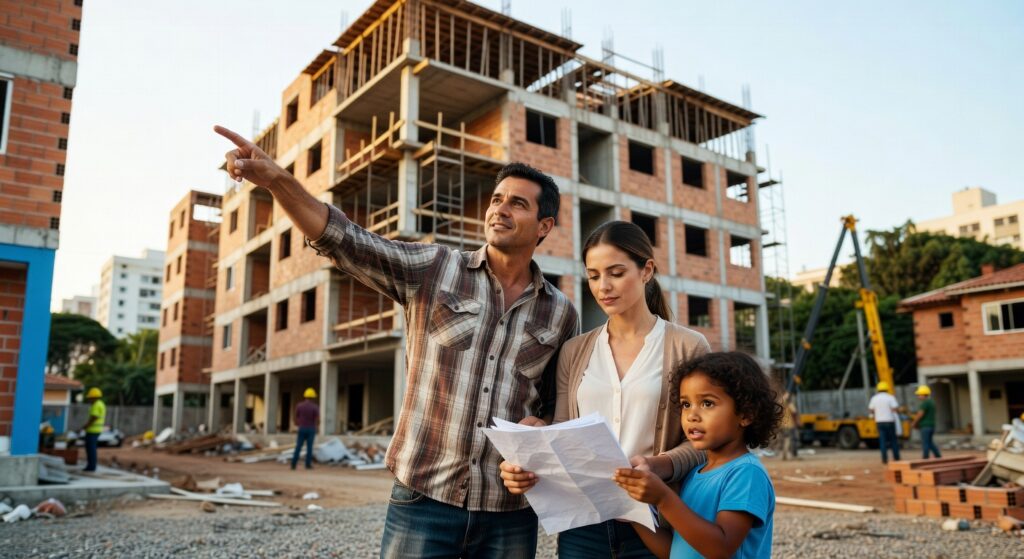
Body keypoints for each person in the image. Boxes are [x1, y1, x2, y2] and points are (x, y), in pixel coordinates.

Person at [215, 126, 579, 559]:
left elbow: (557, 406)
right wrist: (278, 180)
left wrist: (543, 425)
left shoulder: (560, 313)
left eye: (517, 203)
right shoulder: (436, 269)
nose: (500, 209)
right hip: (423, 502)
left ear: (544, 226)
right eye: (496, 199)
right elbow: (346, 241)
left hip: (509, 512)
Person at [499, 221, 708, 558]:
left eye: (616, 273)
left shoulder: (688, 347)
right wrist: (532, 449)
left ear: (646, 271)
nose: (603, 287)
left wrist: (660, 465)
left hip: (656, 523)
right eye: (594, 276)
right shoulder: (574, 351)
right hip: (584, 525)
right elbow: (565, 430)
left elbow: (706, 441)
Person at [614, 352, 782, 559]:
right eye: (686, 404)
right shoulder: (695, 474)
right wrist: (634, 514)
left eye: (707, 403)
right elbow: (675, 551)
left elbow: (721, 549)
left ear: (746, 414)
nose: (692, 415)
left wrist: (663, 498)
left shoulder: (746, 473)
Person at [868, 381, 901, 464]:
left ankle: (884, 459)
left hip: (879, 422)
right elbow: (895, 409)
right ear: (887, 389)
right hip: (890, 421)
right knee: (893, 440)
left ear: (878, 389)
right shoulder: (890, 397)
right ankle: (896, 458)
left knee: (882, 441)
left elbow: (871, 410)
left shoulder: (874, 398)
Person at [291, 388, 320, 470]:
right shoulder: (315, 407)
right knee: (309, 447)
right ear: (313, 397)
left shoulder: (299, 405)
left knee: (298, 446)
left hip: (302, 428)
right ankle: (307, 465)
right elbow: (317, 419)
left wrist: (297, 424)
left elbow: (295, 417)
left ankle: (293, 464)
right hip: (311, 429)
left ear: (305, 396)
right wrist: (317, 426)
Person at [911, 384, 941, 459]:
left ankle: (925, 458)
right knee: (930, 442)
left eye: (919, 395)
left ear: (924, 394)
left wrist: (914, 423)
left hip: (925, 426)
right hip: (931, 425)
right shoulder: (931, 402)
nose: (918, 396)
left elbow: (920, 414)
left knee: (926, 443)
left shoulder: (925, 403)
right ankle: (938, 456)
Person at [80, 387, 106, 472]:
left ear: (94, 397)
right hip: (96, 430)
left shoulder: (96, 405)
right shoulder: (100, 404)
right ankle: (91, 465)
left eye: (90, 397)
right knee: (91, 448)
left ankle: (91, 466)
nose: (89, 399)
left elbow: (94, 417)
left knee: (91, 449)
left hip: (93, 430)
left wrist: (85, 426)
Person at [779, 391, 799, 461]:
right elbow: (794, 412)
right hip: (790, 424)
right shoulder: (790, 404)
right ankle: (788, 455)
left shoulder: (781, 403)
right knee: (790, 439)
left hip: (782, 424)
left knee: (784, 439)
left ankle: (784, 455)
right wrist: (797, 422)